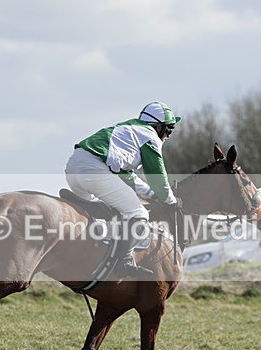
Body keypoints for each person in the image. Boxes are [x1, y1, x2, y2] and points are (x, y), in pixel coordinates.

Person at [65, 101, 181, 278]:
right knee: (138, 213)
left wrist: (149, 193)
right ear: (158, 127)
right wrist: (170, 200)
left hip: (74, 167)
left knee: (100, 213)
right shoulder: (150, 137)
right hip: (93, 170)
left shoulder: (130, 130)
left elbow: (125, 175)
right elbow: (158, 177)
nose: (170, 135)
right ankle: (124, 261)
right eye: (169, 129)